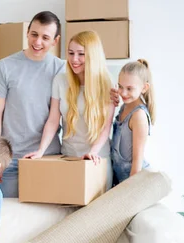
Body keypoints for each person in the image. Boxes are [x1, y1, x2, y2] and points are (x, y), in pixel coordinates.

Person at [0, 11, 65, 197]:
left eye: (45, 37)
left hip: (47, 155)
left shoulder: (60, 68)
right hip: (10, 157)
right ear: (27, 32)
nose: (38, 42)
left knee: (44, 218)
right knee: (9, 215)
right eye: (34, 34)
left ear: (55, 40)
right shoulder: (5, 66)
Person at [25, 30, 116, 189]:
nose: (74, 59)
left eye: (81, 54)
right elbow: (53, 120)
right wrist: (40, 151)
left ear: (92, 56)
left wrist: (92, 152)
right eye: (71, 53)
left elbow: (105, 127)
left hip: (97, 158)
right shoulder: (60, 80)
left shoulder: (106, 82)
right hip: (69, 156)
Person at [111, 59, 156, 184]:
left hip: (136, 182)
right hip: (122, 181)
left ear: (144, 88)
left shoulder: (139, 115)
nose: (123, 93)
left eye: (129, 89)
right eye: (120, 86)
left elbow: (137, 162)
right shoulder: (124, 107)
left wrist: (128, 193)